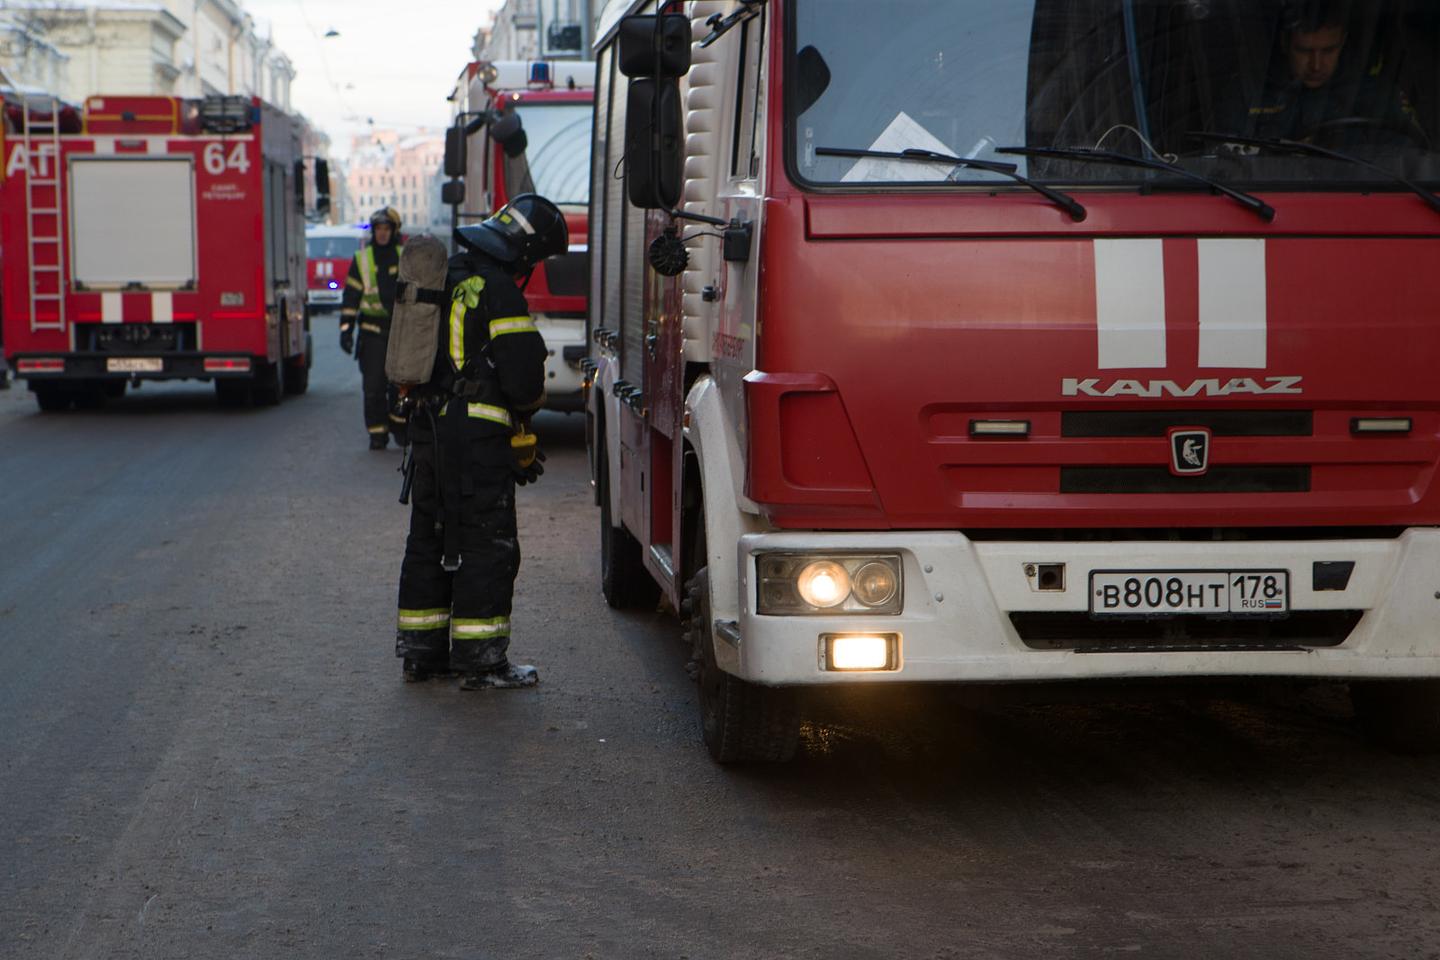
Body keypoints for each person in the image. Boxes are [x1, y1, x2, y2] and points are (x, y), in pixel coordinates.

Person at [393, 194, 566, 689]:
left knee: (428, 538)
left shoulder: (440, 279)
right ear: (522, 253)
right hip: (476, 442)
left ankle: (421, 655)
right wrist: (524, 424)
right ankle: (482, 661)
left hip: (426, 435)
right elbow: (522, 377)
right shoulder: (497, 290)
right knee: (486, 544)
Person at [1229, 2, 1422, 145]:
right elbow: (1223, 160)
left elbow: (1408, 158)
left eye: (1329, 50)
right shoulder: (1248, 94)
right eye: (1304, 51)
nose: (1316, 65)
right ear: (1284, 43)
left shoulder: (1378, 95)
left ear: (1343, 42)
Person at [339, 207, 408, 450]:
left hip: (400, 333)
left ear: (394, 231)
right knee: (373, 388)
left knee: (401, 386)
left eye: (386, 229)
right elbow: (351, 297)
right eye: (378, 229)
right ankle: (377, 433)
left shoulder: (405, 257)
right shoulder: (362, 259)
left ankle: (400, 428)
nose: (381, 234)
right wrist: (346, 330)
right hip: (372, 333)